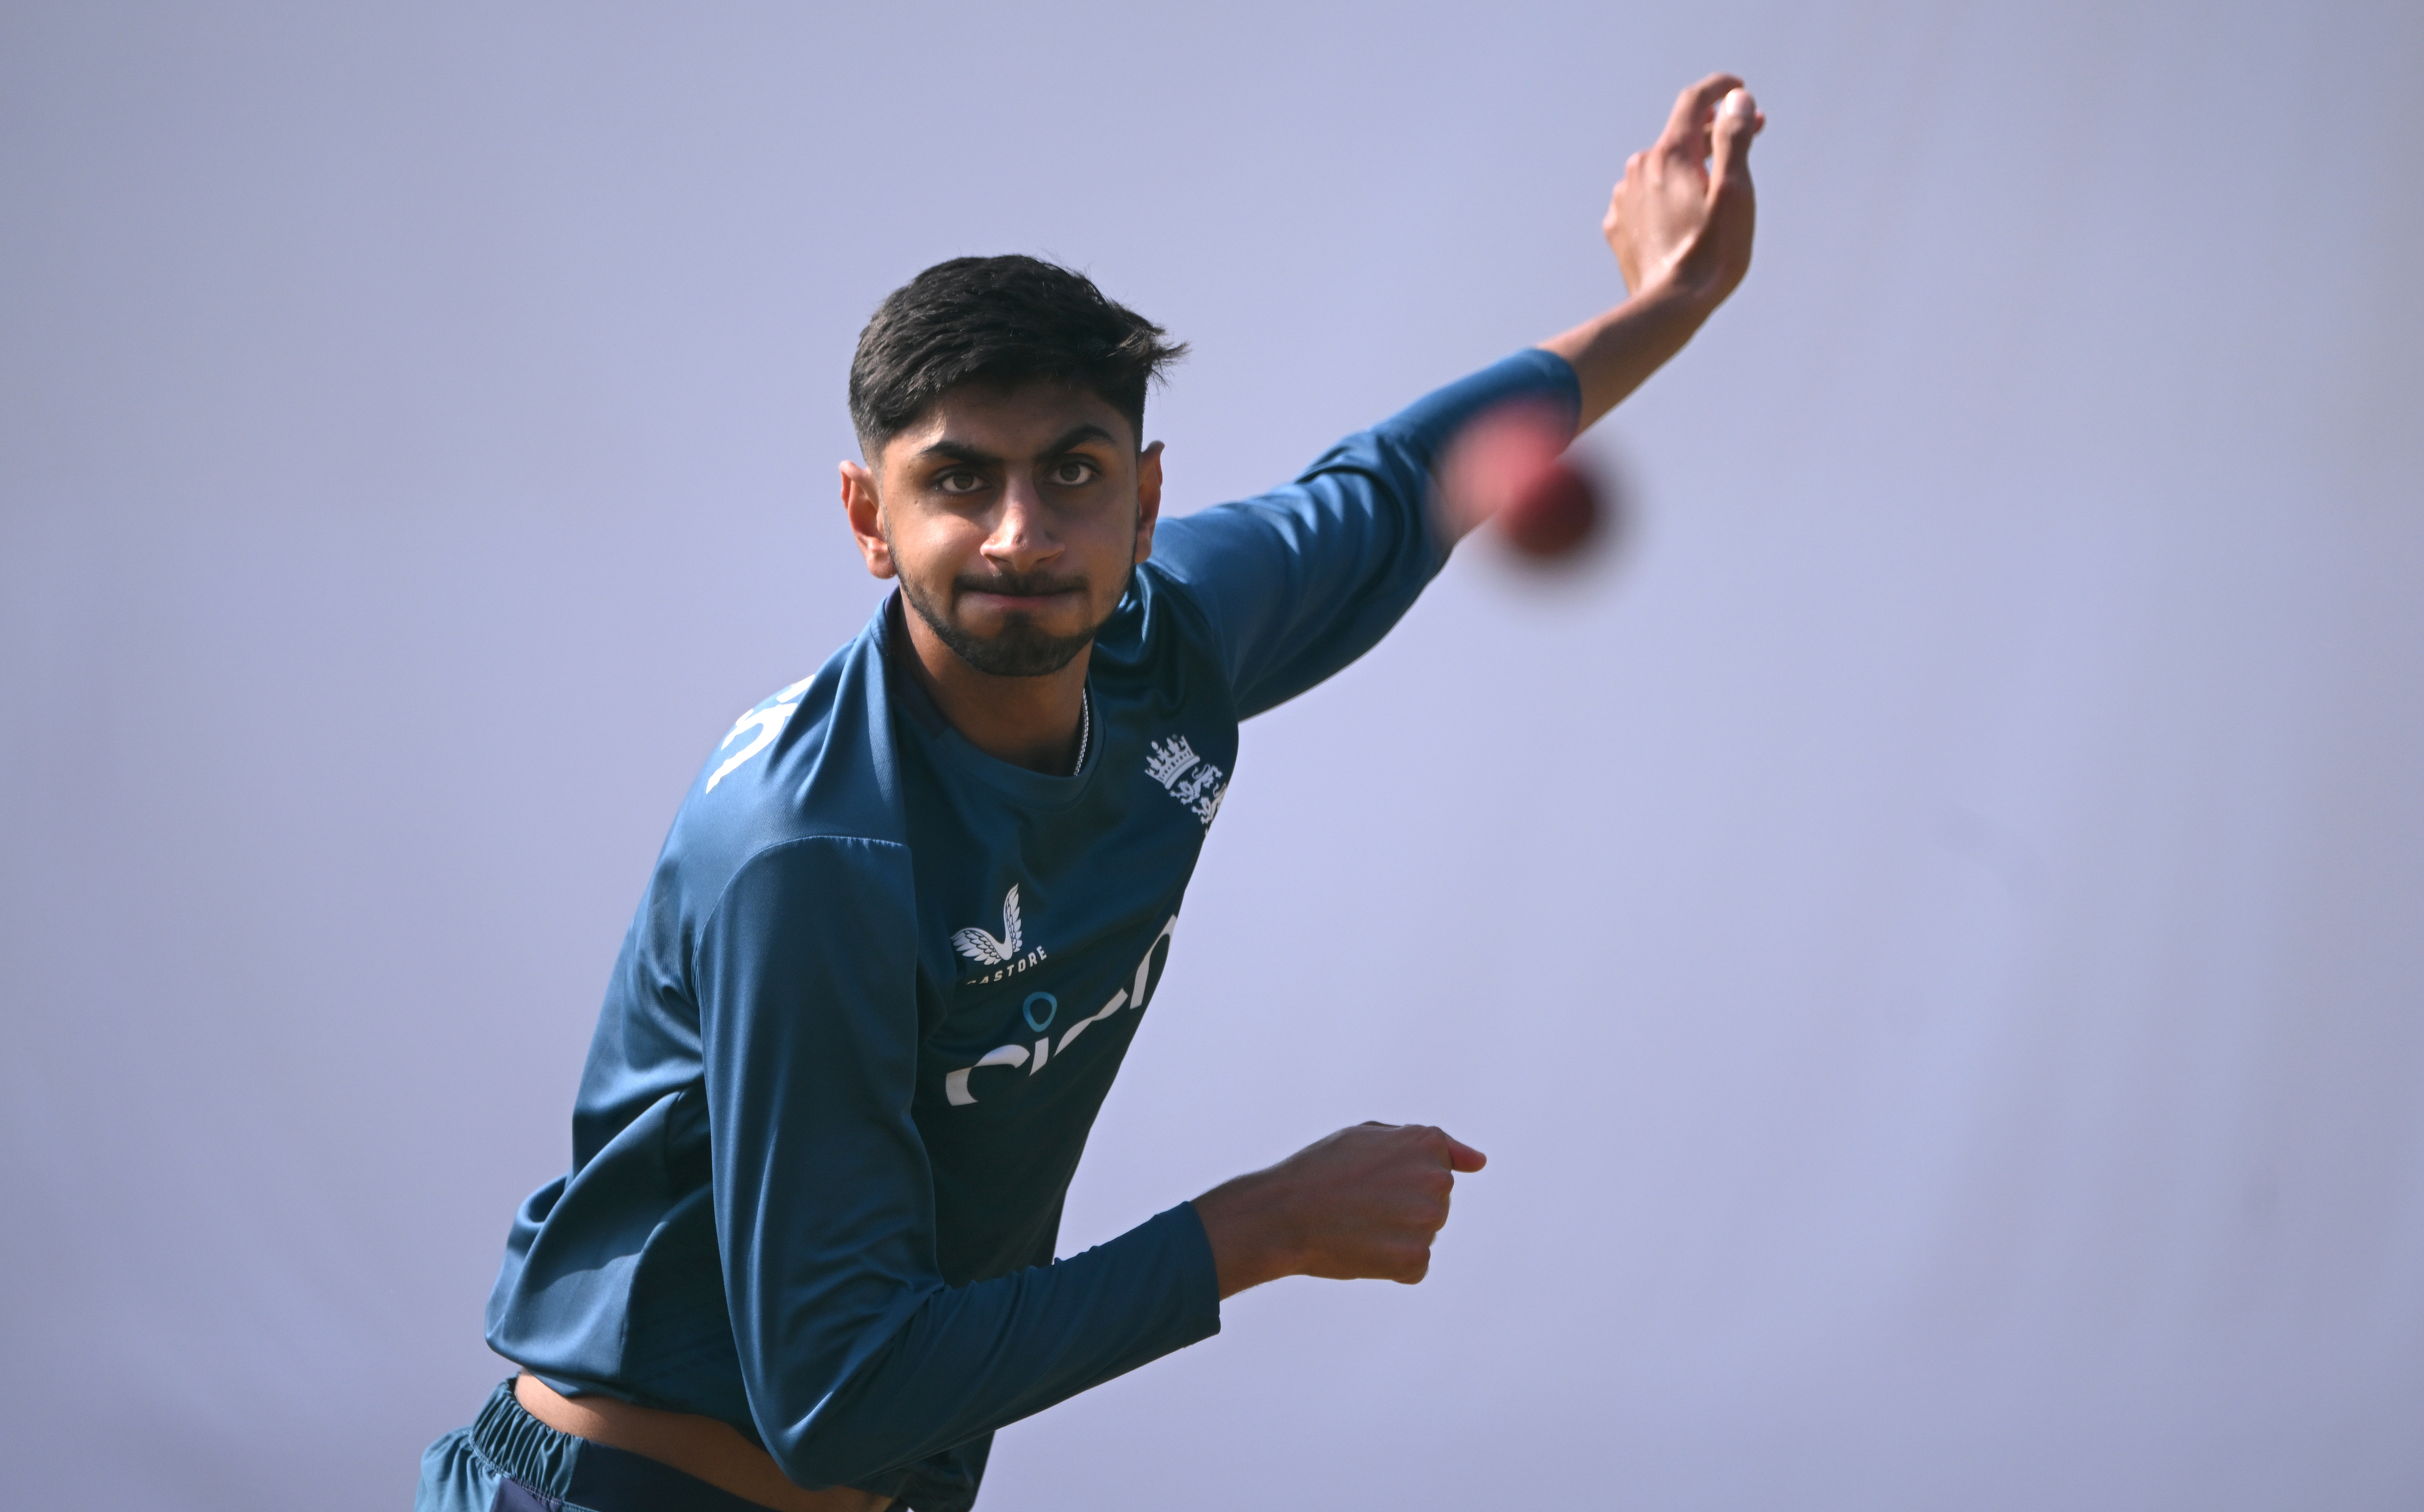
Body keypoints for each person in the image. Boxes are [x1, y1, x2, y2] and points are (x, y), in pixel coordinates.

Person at [418, 72, 1765, 1512]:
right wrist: (1256, 1227)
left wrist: (1672, 300)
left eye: (1071, 473)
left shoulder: (1167, 633)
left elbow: (1401, 482)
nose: (1021, 532)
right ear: (869, 518)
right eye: (958, 481)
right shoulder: (812, 851)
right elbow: (838, 1392)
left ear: (1143, 496)